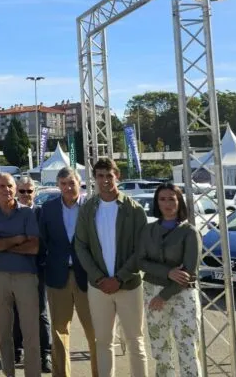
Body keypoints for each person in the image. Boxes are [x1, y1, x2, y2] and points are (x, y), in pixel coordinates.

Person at [74, 157, 149, 377]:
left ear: (118, 176)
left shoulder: (134, 210)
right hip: (98, 288)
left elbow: (141, 250)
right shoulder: (88, 208)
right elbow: (81, 245)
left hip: (129, 286)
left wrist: (119, 278)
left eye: (109, 175)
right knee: (103, 342)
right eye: (100, 176)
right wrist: (99, 278)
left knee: (135, 341)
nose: (105, 180)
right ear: (95, 178)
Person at [137, 183, 203, 376]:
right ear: (157, 203)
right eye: (162, 199)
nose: (167, 203)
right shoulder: (147, 230)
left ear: (179, 201)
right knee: (160, 348)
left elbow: (188, 271)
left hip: (182, 294)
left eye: (172, 199)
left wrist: (164, 295)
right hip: (152, 292)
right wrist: (167, 272)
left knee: (188, 348)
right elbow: (141, 261)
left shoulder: (190, 232)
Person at [0, 173, 41, 377]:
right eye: (1, 186)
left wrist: (2, 244)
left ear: (15, 188)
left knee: (31, 331)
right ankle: (9, 373)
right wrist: (17, 238)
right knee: (4, 331)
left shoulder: (27, 213)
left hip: (25, 275)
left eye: (9, 186)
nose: (6, 190)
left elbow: (34, 247)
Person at [39, 167, 97, 377]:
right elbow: (43, 241)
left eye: (71, 183)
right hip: (58, 276)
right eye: (63, 184)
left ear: (79, 183)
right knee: (59, 331)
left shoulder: (91, 207)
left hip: (87, 277)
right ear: (58, 185)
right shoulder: (48, 208)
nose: (68, 187)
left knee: (95, 333)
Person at [10, 176, 52, 373]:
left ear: (35, 193)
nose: (26, 195)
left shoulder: (42, 213)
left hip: (38, 268)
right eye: (22, 191)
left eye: (29, 191)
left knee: (41, 313)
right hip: (15, 269)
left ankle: (46, 354)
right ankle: (17, 350)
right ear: (16, 192)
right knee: (16, 312)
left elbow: (43, 242)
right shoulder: (10, 213)